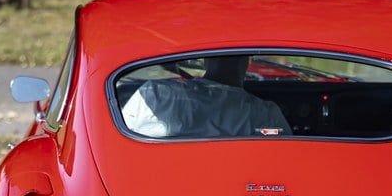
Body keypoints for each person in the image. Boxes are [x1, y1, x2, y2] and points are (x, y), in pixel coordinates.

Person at [122, 55, 292, 138]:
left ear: (205, 61)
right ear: (247, 62)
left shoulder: (155, 94)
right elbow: (285, 157)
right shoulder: (265, 115)